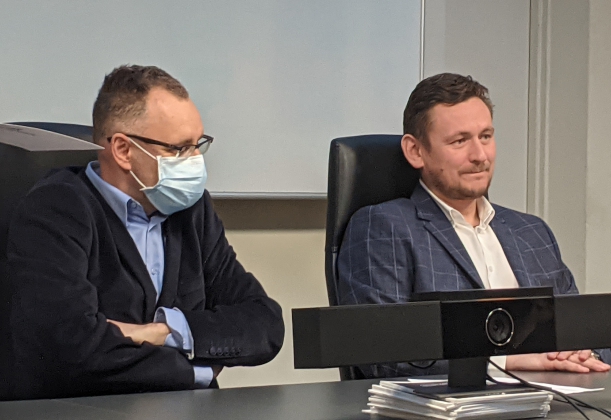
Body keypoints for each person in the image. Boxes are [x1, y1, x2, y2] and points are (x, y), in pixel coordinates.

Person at [7, 65, 284, 399]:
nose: (195, 160)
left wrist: (164, 332)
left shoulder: (192, 212)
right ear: (123, 150)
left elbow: (265, 324)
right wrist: (196, 370)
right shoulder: (56, 208)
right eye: (179, 149)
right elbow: (71, 348)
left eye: (199, 144)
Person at [337, 72, 610, 379]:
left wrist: (587, 353)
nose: (480, 156)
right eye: (460, 141)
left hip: (558, 398)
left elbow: (584, 333)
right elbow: (381, 353)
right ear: (416, 151)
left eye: (486, 137)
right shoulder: (384, 227)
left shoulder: (532, 232)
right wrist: (509, 361)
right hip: (454, 401)